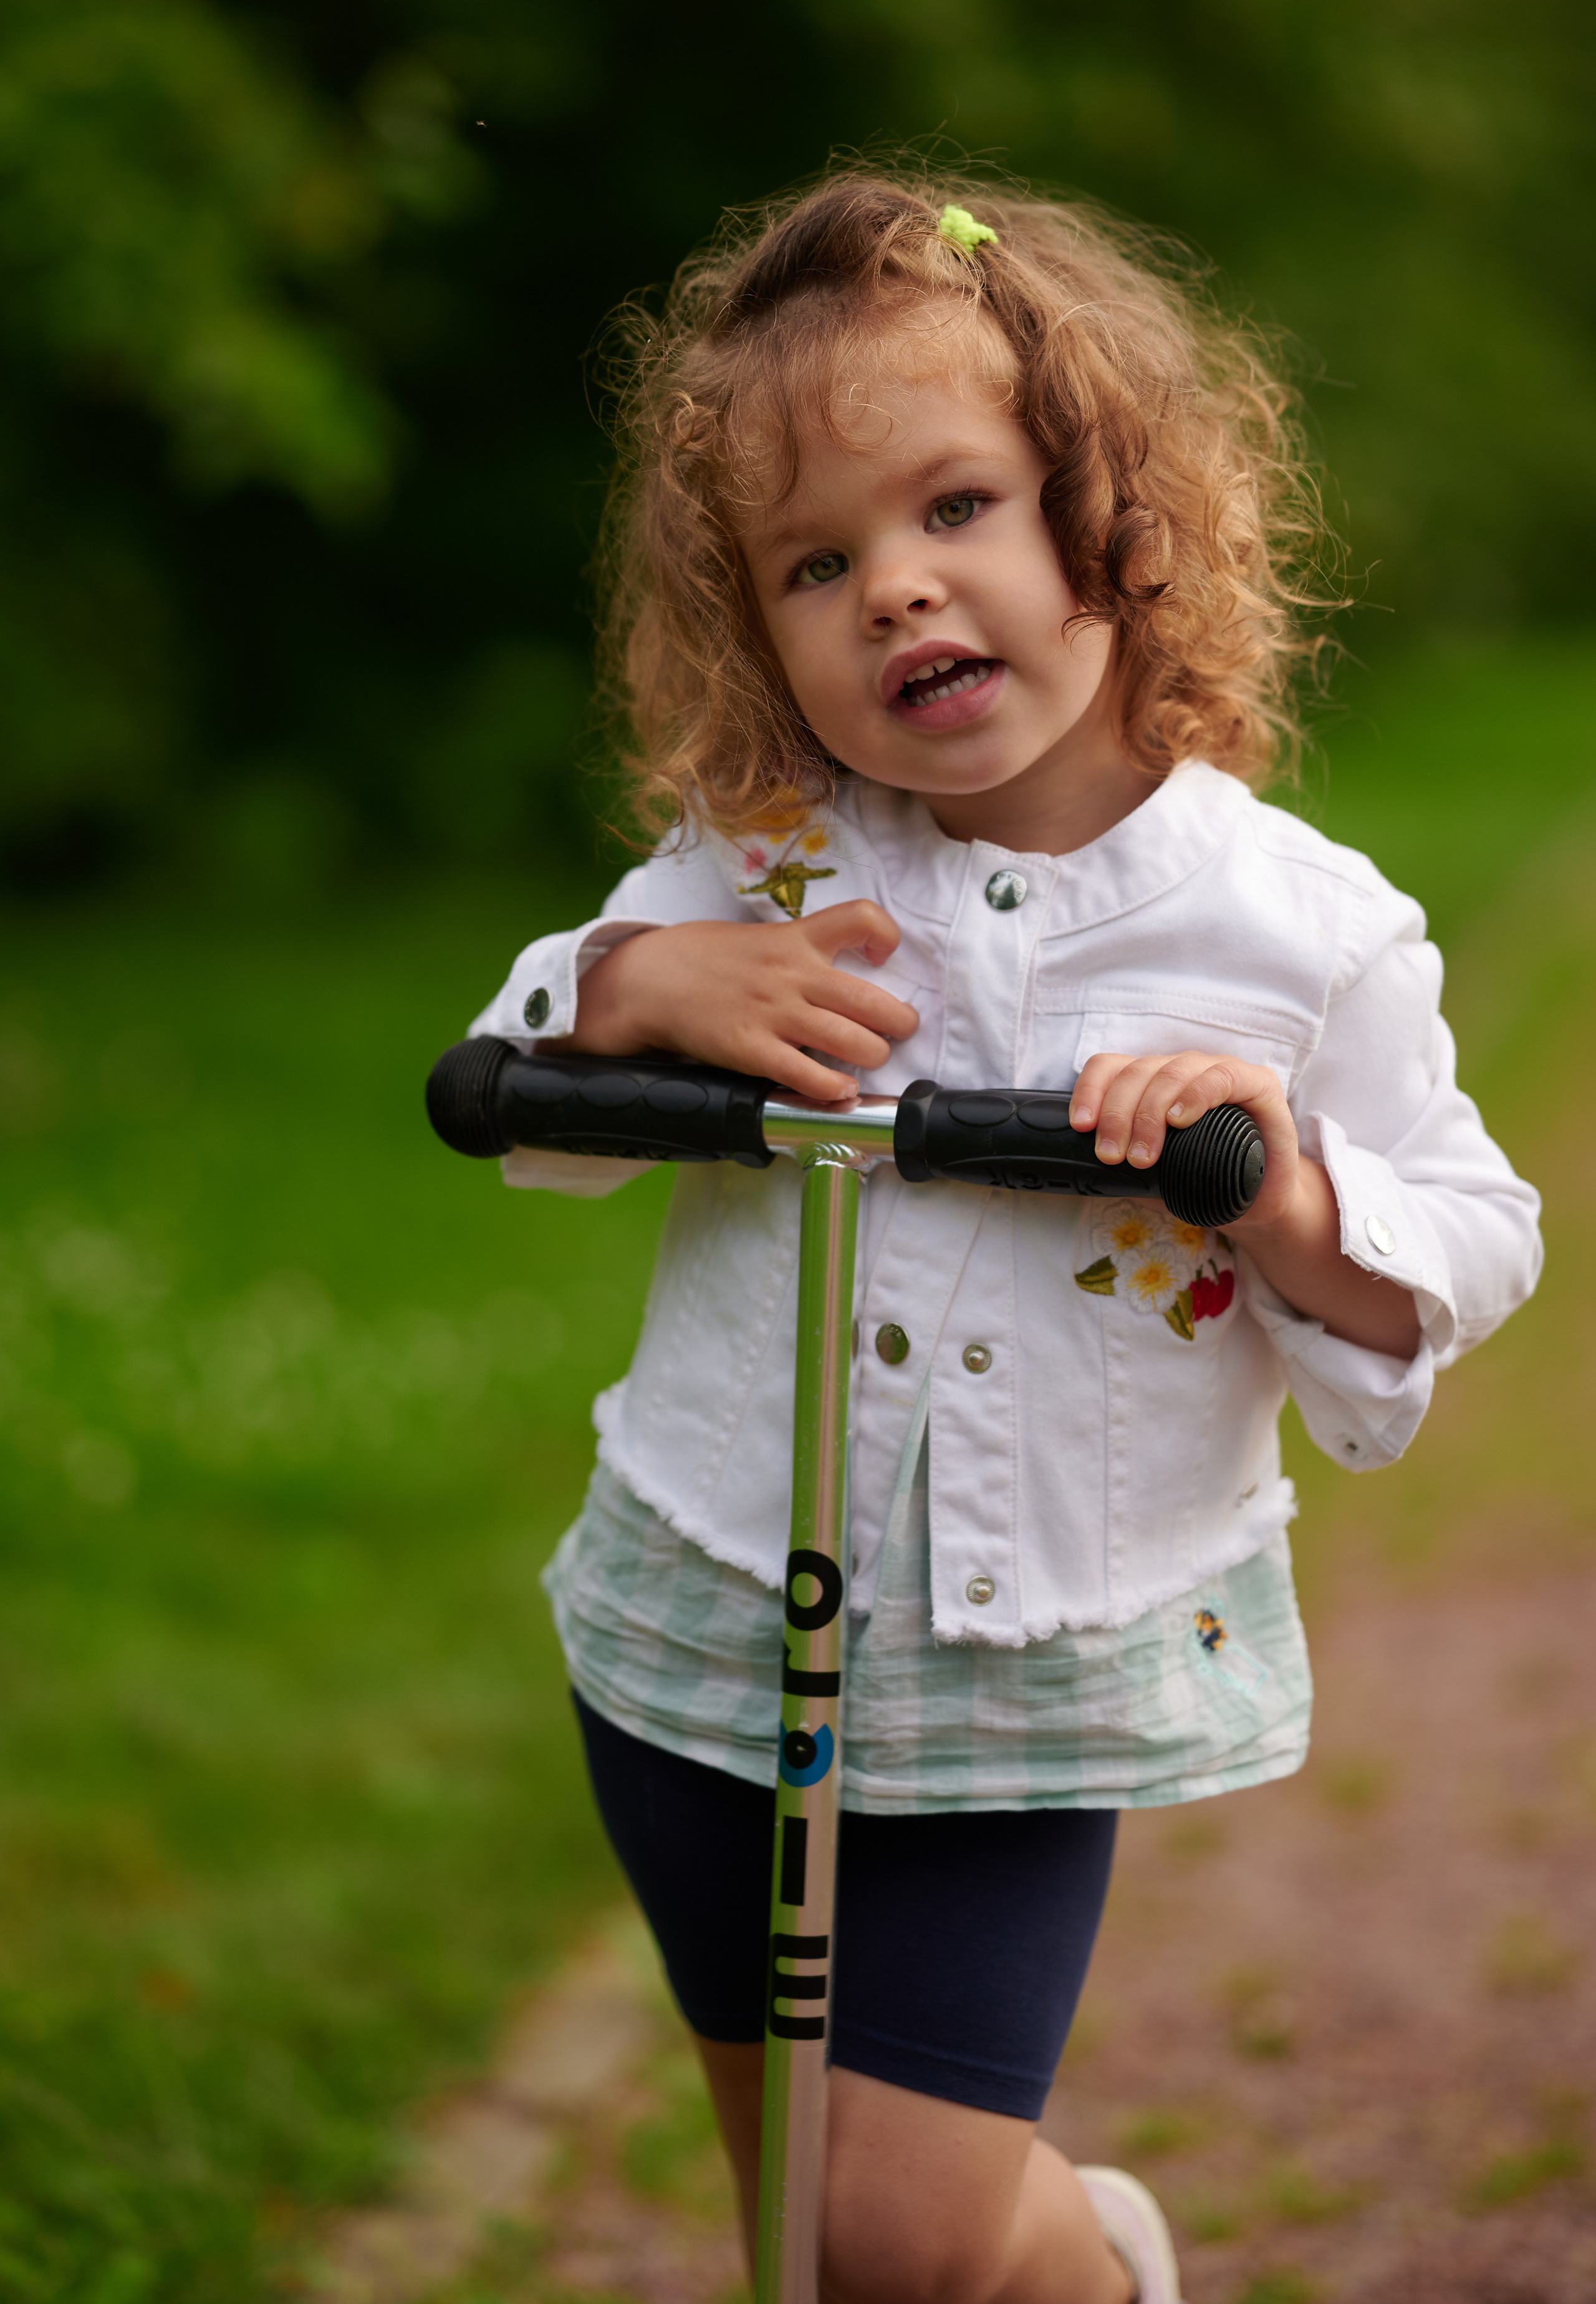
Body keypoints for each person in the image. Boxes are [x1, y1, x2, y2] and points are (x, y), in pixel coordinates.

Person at [466, 167, 1541, 2303]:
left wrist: (1279, 1179)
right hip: (702, 1607)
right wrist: (625, 989)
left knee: (900, 2231)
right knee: (805, 2237)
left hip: (1020, 1656)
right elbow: (530, 1103)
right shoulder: (760, 870)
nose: (895, 588)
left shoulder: (1295, 931)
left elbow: (1472, 1232)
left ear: (1111, 512)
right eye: (816, 560)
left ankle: (1103, 2268)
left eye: (956, 507)